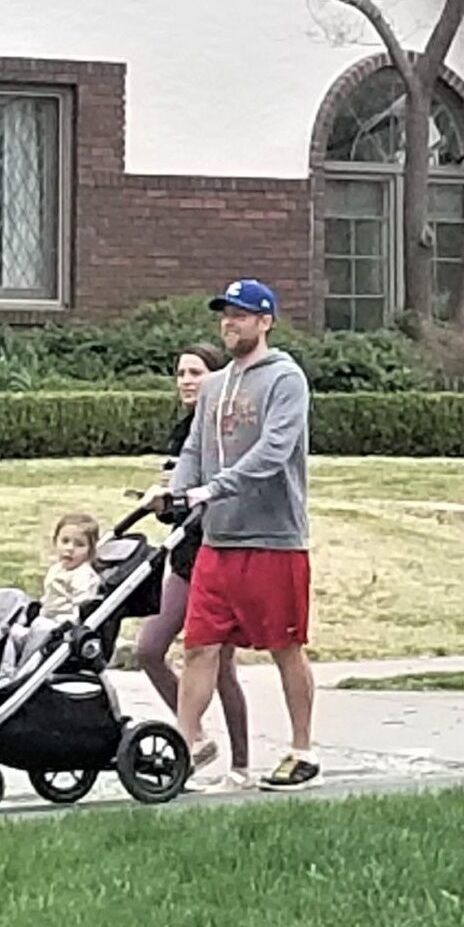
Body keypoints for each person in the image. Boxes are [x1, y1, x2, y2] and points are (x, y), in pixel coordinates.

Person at [167, 279, 318, 792]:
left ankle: (302, 750)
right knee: (199, 647)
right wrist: (175, 490)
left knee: (285, 646)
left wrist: (212, 490)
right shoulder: (212, 387)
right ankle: (187, 744)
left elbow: (274, 452)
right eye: (225, 316)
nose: (230, 324)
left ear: (265, 321)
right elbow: (194, 449)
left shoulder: (285, 379)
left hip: (273, 538)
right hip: (218, 541)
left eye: (241, 315)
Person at [137, 343, 253, 793]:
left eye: (196, 372)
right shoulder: (184, 431)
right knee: (149, 648)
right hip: (185, 558)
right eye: (181, 372)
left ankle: (241, 765)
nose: (186, 380)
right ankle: (196, 737)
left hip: (220, 553)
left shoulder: (226, 432)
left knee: (220, 663)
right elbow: (179, 499)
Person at [39, 513, 102, 622]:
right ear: (55, 541)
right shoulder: (56, 569)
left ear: (90, 551)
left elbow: (81, 609)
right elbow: (49, 596)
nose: (70, 548)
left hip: (65, 624)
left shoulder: (84, 575)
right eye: (65, 541)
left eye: (79, 545)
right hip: (46, 617)